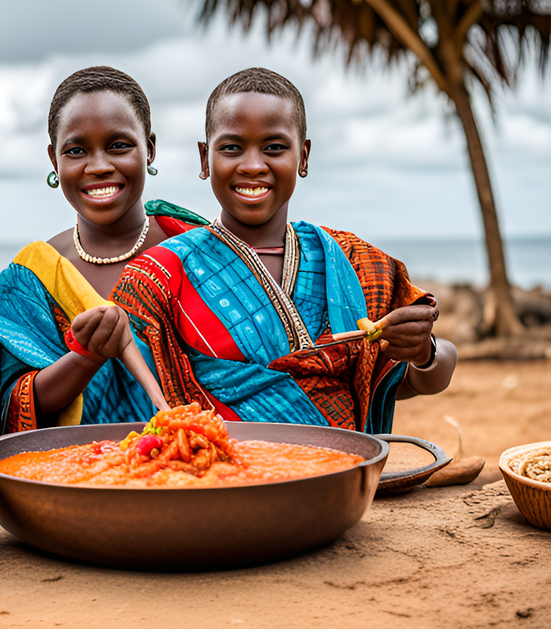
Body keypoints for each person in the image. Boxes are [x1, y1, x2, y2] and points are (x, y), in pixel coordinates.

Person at [112, 67, 456, 434]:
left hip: (342, 482)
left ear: (303, 157)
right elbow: (129, 408)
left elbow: (411, 380)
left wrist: (425, 353)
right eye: (231, 148)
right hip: (212, 483)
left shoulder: (355, 263)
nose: (254, 165)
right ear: (204, 159)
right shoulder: (159, 277)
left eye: (274, 147)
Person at [0, 66, 207, 434]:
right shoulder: (29, 281)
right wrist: (84, 357)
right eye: (76, 150)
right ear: (55, 161)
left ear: (149, 149)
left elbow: (242, 374)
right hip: (84, 474)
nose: (99, 165)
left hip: (205, 464)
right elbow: (18, 403)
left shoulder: (201, 250)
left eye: (119, 145)